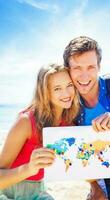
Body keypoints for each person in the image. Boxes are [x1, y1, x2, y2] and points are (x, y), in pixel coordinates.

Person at [63, 36, 110, 200]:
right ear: (68, 70)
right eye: (77, 68)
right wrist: (94, 186)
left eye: (91, 67)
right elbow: (79, 155)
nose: (84, 76)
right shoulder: (70, 107)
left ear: (99, 67)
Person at [0, 64, 80, 199]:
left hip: (38, 191)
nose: (66, 93)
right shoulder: (25, 122)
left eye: (69, 85)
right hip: (8, 192)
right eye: (57, 89)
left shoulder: (69, 124)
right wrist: (30, 168)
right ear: (45, 92)